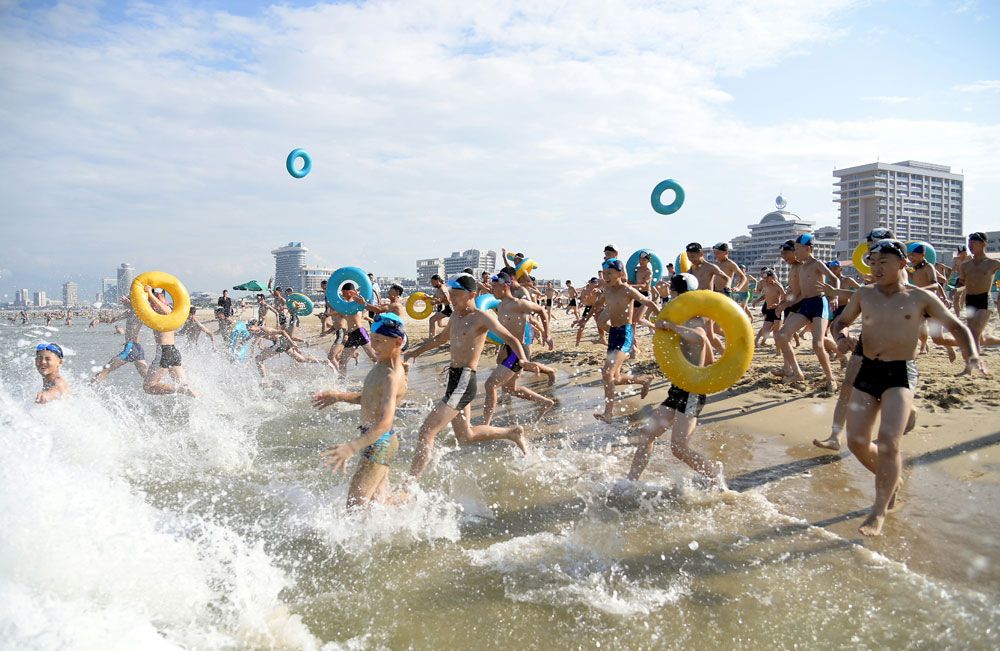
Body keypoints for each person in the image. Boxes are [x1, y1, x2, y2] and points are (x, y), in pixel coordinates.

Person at [830, 239, 984, 536]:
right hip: (868, 370)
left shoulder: (919, 298)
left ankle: (878, 510)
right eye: (872, 263)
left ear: (902, 264)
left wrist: (973, 356)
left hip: (900, 372)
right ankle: (891, 480)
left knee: (889, 441)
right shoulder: (864, 294)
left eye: (882, 262)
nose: (876, 268)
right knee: (857, 443)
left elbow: (957, 326)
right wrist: (841, 337)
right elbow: (841, 322)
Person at [403, 273, 531, 481]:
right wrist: (412, 353)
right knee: (466, 435)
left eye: (457, 295)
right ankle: (512, 433)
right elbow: (440, 339)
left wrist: (523, 359)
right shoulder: (455, 316)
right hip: (454, 378)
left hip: (465, 380)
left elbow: (511, 338)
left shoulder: (482, 317)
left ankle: (409, 485)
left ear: (472, 294)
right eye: (451, 295)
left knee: (427, 431)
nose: (451, 299)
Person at [626, 273, 722, 483]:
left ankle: (716, 480)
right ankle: (629, 483)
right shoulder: (681, 317)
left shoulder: (695, 320)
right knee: (646, 435)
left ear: (677, 294)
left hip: (693, 391)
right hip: (678, 388)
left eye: (674, 293)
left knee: (678, 448)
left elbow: (700, 337)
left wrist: (673, 328)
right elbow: (710, 359)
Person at [314, 313, 410, 507]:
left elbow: (385, 423)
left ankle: (418, 506)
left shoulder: (392, 376)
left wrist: (351, 447)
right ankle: (416, 505)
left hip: (379, 442)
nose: (374, 346)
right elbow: (368, 398)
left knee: (355, 506)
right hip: (373, 438)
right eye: (373, 340)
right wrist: (338, 396)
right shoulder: (380, 365)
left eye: (380, 341)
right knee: (379, 500)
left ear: (398, 341)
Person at [482, 272, 556, 425]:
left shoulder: (518, 304)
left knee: (490, 385)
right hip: (507, 349)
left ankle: (485, 425)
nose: (491, 289)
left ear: (505, 286)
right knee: (510, 389)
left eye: (494, 286)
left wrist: (547, 334)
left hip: (518, 351)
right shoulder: (501, 304)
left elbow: (542, 311)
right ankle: (545, 402)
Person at [590, 258, 658, 422]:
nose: (606, 276)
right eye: (604, 273)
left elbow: (647, 301)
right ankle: (643, 380)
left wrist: (662, 318)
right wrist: (583, 320)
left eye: (609, 273)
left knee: (607, 372)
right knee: (616, 378)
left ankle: (608, 413)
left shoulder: (627, 290)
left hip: (625, 335)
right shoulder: (607, 291)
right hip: (613, 334)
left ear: (620, 273)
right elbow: (596, 306)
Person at [773, 233, 840, 391]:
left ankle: (831, 379)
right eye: (794, 249)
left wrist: (834, 296)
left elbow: (834, 278)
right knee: (782, 335)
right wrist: (785, 304)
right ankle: (797, 373)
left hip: (819, 303)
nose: (795, 252)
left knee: (817, 344)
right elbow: (801, 294)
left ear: (808, 249)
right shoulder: (801, 267)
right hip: (806, 304)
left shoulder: (817, 263)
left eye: (797, 249)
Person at [141, 286, 196, 397]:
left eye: (153, 297)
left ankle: (180, 390)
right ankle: (205, 401)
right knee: (185, 385)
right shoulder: (155, 312)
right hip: (173, 351)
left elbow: (166, 311)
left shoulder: (166, 309)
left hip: (164, 351)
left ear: (160, 296)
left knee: (149, 387)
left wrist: (151, 295)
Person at [907, 245, 958, 360]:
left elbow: (935, 285)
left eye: (914, 255)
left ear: (922, 255)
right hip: (919, 305)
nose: (911, 258)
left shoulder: (928, 267)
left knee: (937, 338)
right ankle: (921, 347)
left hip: (931, 304)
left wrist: (943, 297)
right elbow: (913, 278)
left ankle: (949, 346)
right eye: (910, 255)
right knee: (915, 328)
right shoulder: (915, 269)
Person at [959, 232, 1000, 354]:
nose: (970, 246)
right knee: (978, 336)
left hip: (985, 299)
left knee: (974, 332)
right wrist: (955, 294)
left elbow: (998, 280)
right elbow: (961, 284)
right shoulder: (965, 266)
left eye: (973, 243)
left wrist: (998, 286)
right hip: (970, 300)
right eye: (969, 243)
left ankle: (974, 363)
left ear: (983, 244)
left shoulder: (993, 263)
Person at [93, 296, 150, 383]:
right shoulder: (129, 312)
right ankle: (171, 390)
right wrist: (99, 320)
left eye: (127, 300)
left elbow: (143, 310)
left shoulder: (140, 312)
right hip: (137, 349)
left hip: (131, 348)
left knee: (107, 368)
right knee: (148, 379)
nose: (124, 303)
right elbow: (112, 319)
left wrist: (131, 304)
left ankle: (89, 388)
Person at [250, 322, 327, 379]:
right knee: (301, 359)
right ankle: (324, 361)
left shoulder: (264, 329)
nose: (249, 329)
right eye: (247, 328)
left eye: (250, 327)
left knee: (258, 359)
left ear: (255, 325)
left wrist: (292, 343)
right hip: (281, 343)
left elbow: (282, 332)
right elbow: (254, 342)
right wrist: (256, 348)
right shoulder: (256, 333)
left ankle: (264, 380)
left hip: (280, 343)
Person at [751, 269, 785, 348]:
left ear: (772, 277)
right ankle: (757, 342)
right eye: (764, 278)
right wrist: (756, 300)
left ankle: (778, 352)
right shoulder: (763, 283)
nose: (765, 279)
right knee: (765, 329)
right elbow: (763, 294)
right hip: (769, 310)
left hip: (777, 310)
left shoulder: (778, 286)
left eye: (766, 278)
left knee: (776, 332)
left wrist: (778, 304)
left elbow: (785, 298)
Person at [427, 274, 452, 339]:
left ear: (437, 281)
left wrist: (436, 302)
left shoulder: (442, 288)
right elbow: (435, 297)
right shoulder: (438, 289)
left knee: (432, 320)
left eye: (433, 282)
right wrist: (427, 297)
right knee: (440, 324)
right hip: (443, 308)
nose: (432, 284)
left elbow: (447, 299)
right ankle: (452, 326)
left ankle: (431, 338)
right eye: (431, 282)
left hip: (449, 309)